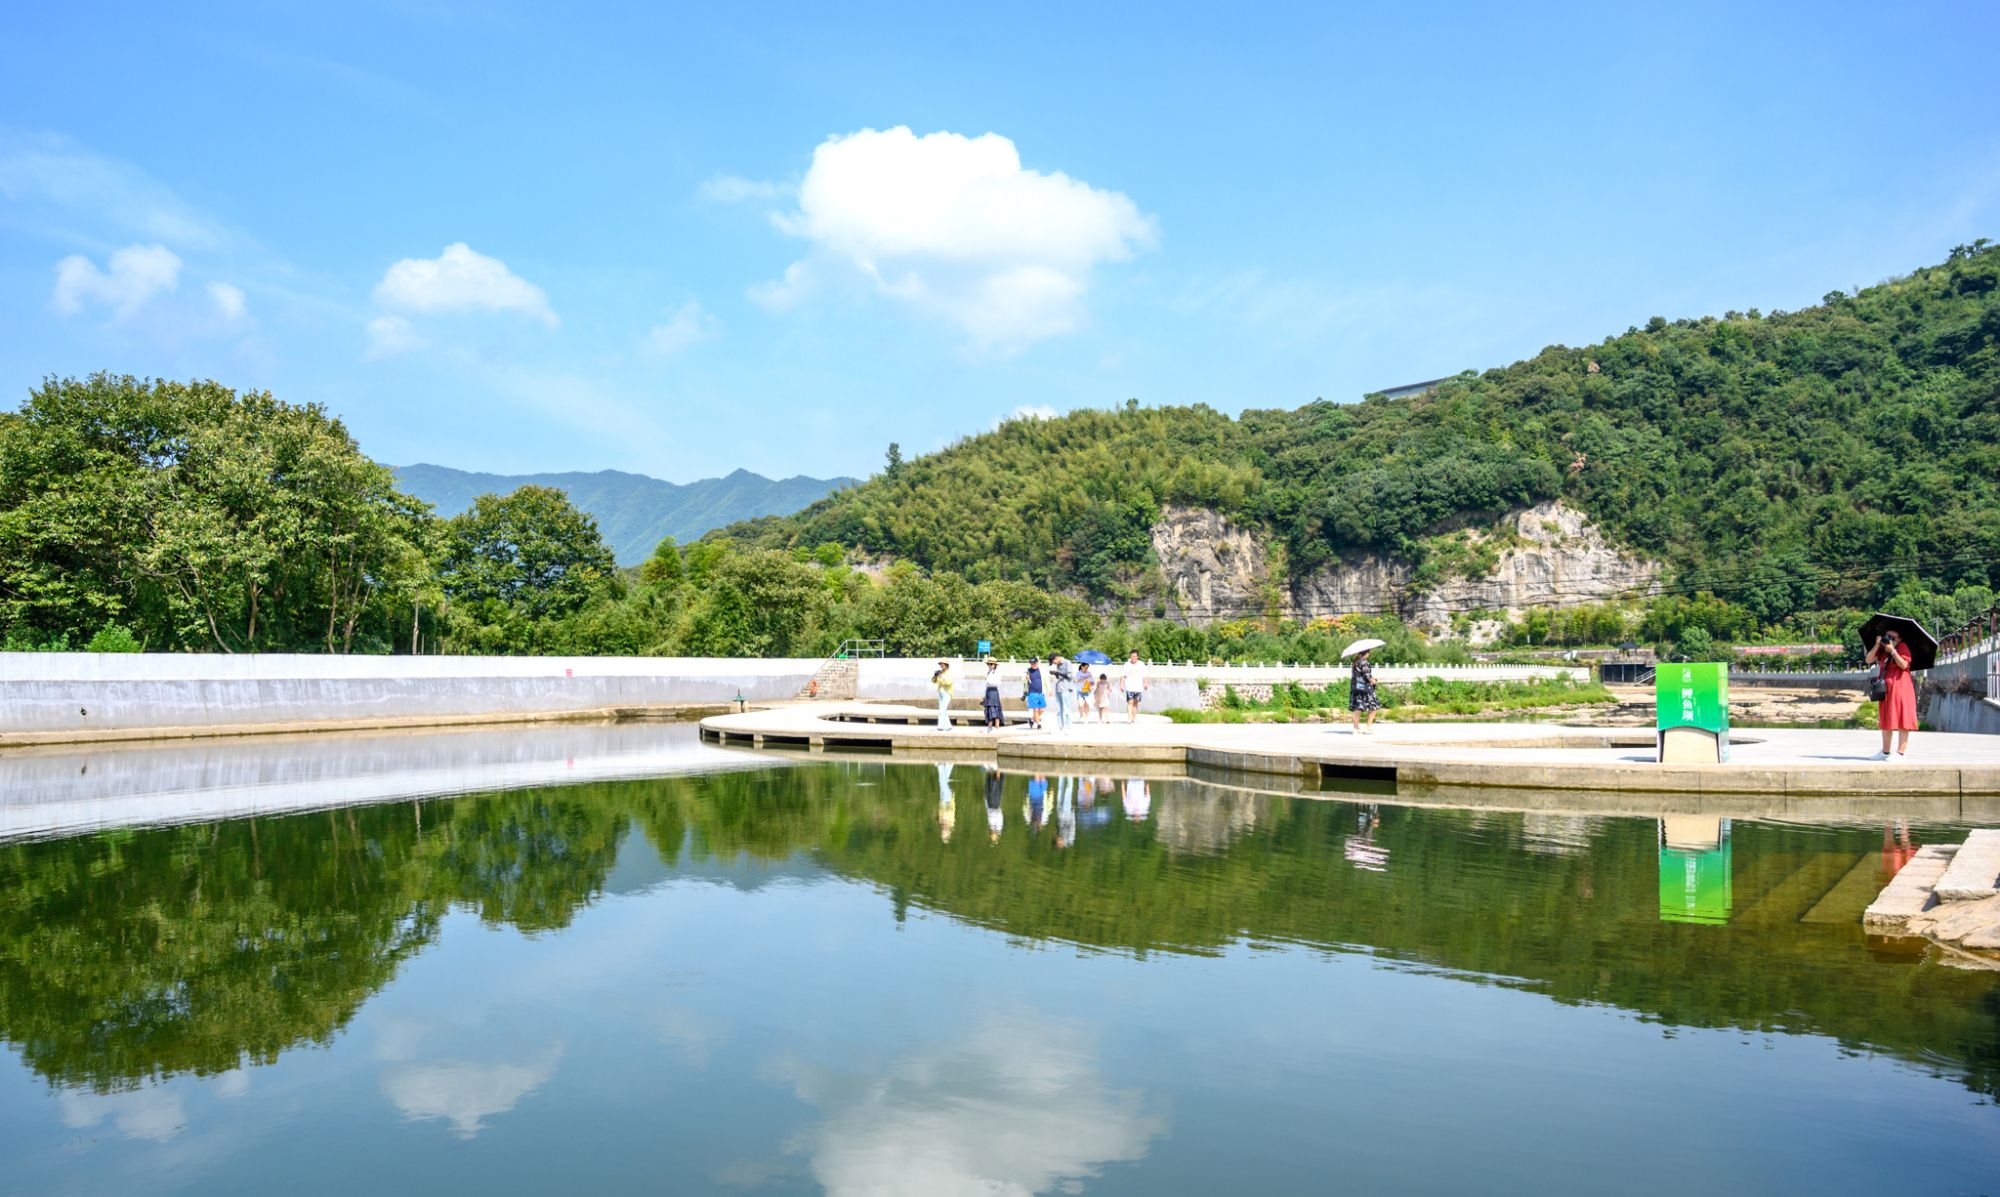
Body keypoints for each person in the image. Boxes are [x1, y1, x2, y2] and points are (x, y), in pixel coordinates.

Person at [1865, 629, 1917, 757]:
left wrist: (1893, 651)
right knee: (1887, 718)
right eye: (1887, 636)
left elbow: (1904, 665)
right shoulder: (1882, 650)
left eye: (1892, 637)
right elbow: (1869, 660)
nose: (1889, 639)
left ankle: (1900, 753)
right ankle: (1885, 751)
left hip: (1901, 688)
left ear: (1899, 639)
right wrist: (1878, 644)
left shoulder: (1902, 647)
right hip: (1886, 689)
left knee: (1902, 718)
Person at [1348, 648, 1381, 734]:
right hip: (1365, 689)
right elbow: (1367, 676)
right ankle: (1368, 726)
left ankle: (1356, 728)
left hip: (1356, 688)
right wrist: (1374, 681)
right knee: (1374, 706)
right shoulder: (1364, 663)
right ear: (1366, 653)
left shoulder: (1355, 663)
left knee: (1357, 708)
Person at [1051, 655, 1076, 732]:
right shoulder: (1058, 664)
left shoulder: (1067, 662)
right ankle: (1060, 727)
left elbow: (1069, 676)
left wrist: (1057, 672)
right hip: (1058, 688)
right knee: (1058, 709)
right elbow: (1060, 677)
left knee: (1067, 708)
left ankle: (1068, 728)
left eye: (1053, 662)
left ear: (1056, 658)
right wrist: (1055, 674)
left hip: (1066, 688)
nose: (1054, 664)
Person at [1121, 651, 1147, 723]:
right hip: (1129, 687)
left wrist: (1145, 684)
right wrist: (1121, 685)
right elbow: (1123, 676)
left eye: (1135, 656)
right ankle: (1129, 718)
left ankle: (1134, 718)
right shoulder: (1126, 665)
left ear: (1137, 657)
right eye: (1132, 656)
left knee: (1135, 703)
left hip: (1138, 687)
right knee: (1130, 702)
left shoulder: (1141, 664)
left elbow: (1145, 676)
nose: (1133, 658)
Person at [981, 657, 1004, 729]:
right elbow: (987, 684)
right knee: (989, 709)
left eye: (991, 664)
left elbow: (997, 683)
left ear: (995, 665)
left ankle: (996, 727)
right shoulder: (989, 672)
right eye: (988, 664)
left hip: (994, 691)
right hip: (988, 691)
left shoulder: (997, 672)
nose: (989, 665)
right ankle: (989, 727)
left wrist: (987, 679)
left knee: (995, 709)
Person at [1024, 658, 1046, 729]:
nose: (1033, 665)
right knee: (1035, 709)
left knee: (1042, 709)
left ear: (1037, 663)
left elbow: (1045, 680)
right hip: (1032, 693)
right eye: (1031, 663)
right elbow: (1024, 681)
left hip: (1041, 693)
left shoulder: (1041, 670)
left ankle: (1032, 720)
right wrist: (1026, 678)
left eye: (1034, 663)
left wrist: (1049, 689)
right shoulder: (1028, 671)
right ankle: (1038, 724)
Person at [932, 659, 954, 730]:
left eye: (943, 664)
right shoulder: (940, 673)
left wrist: (941, 677)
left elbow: (948, 683)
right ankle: (948, 726)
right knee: (943, 710)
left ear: (946, 665)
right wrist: (935, 676)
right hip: (941, 693)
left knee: (942, 710)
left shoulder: (949, 673)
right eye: (940, 664)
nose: (941, 665)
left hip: (947, 693)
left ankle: (940, 726)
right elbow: (934, 682)